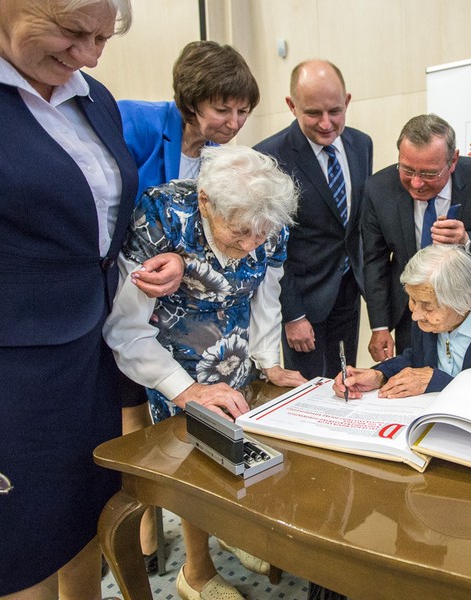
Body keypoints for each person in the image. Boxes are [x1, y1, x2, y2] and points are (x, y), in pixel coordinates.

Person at [0, 0, 180, 598]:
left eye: (105, 37)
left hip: (90, 361)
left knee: (85, 527)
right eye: (71, 31)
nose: (89, 55)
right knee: (10, 557)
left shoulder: (90, 96)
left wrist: (153, 260)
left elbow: (97, 226)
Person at [104, 145, 307, 599]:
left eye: (261, 234)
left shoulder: (266, 220)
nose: (252, 244)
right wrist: (187, 389)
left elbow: (265, 297)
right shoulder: (162, 214)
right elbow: (126, 329)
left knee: (238, 455)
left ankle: (231, 532)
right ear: (204, 202)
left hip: (234, 357)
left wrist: (269, 360)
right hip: (171, 365)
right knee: (193, 471)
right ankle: (195, 571)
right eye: (239, 233)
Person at [117, 38, 260, 574]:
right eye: (223, 109)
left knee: (197, 430)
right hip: (131, 289)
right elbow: (120, 212)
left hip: (188, 309)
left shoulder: (228, 161)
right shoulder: (136, 125)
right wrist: (167, 254)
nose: (233, 121)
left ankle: (204, 533)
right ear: (190, 101)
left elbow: (219, 241)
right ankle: (152, 524)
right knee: (139, 421)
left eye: (243, 110)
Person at [362, 114, 471, 362]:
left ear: (453, 160)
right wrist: (379, 326)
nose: (416, 183)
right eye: (407, 170)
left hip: (469, 308)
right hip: (412, 310)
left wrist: (467, 241)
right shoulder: (378, 188)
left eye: (429, 173)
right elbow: (374, 260)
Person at [255, 59, 373, 379]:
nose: (325, 123)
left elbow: (355, 227)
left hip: (349, 291)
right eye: (313, 113)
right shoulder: (269, 158)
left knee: (346, 379)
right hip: (303, 300)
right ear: (292, 106)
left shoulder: (362, 145)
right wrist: (292, 315)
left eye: (335, 111)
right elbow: (272, 247)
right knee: (306, 389)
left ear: (347, 101)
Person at [335, 244, 471, 400]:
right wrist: (380, 375)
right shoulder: (428, 312)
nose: (415, 315)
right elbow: (417, 358)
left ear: (464, 302)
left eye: (428, 306)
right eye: (413, 300)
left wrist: (439, 383)